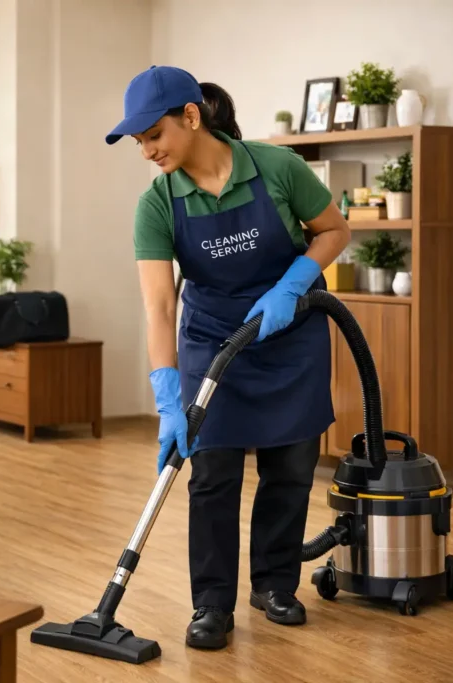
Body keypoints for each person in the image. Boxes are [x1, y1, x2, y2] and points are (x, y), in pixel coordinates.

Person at [106, 66, 350, 650]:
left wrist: (293, 283)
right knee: (212, 475)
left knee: (289, 469)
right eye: (139, 141)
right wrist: (168, 399)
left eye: (153, 135)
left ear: (191, 117)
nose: (147, 151)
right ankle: (210, 604)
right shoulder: (157, 204)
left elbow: (334, 230)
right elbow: (160, 308)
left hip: (289, 336)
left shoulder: (277, 167)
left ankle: (273, 585)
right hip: (212, 340)